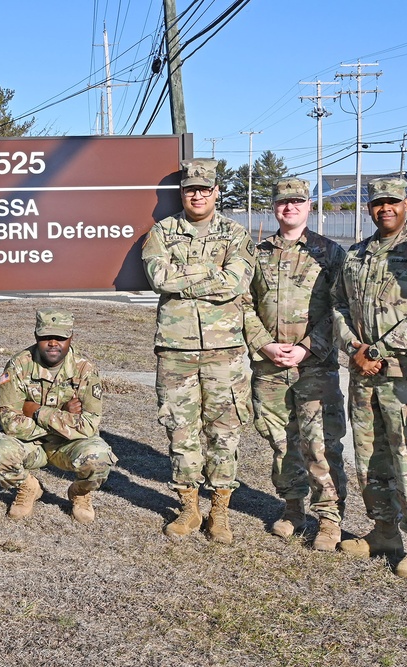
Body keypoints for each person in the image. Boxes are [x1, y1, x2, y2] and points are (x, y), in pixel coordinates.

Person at [332, 177, 407, 579]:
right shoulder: (355, 255)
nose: (386, 208)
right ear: (369, 207)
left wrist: (378, 351)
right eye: (378, 202)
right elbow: (337, 307)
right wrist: (354, 349)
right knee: (370, 458)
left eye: (393, 201)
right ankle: (384, 531)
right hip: (364, 376)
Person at [141, 158, 255, 544]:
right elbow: (158, 277)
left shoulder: (236, 234)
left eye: (205, 189)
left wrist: (185, 276)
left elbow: (235, 283)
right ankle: (189, 508)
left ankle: (219, 511)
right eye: (191, 188)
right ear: (183, 193)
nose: (198, 195)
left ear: (216, 192)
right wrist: (211, 273)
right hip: (176, 349)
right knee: (180, 429)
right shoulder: (162, 232)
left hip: (225, 349)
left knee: (225, 432)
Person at [243, 177, 348, 551]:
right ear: (274, 206)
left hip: (314, 366)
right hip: (270, 367)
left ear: (309, 207)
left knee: (320, 443)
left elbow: (340, 309)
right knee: (280, 441)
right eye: (283, 201)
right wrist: (264, 344)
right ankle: (292, 509)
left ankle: (330, 519)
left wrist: (307, 347)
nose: (289, 207)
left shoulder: (330, 253)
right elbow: (244, 304)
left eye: (297, 201)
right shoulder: (257, 253)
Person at [0, 308, 117, 524]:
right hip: (29, 444)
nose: (53, 343)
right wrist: (63, 416)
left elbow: (88, 425)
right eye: (46, 337)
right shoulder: (18, 365)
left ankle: (80, 492)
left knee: (98, 457)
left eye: (60, 337)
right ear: (36, 336)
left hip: (68, 446)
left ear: (71, 338)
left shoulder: (85, 370)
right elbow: (9, 421)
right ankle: (28, 487)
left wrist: (36, 411)